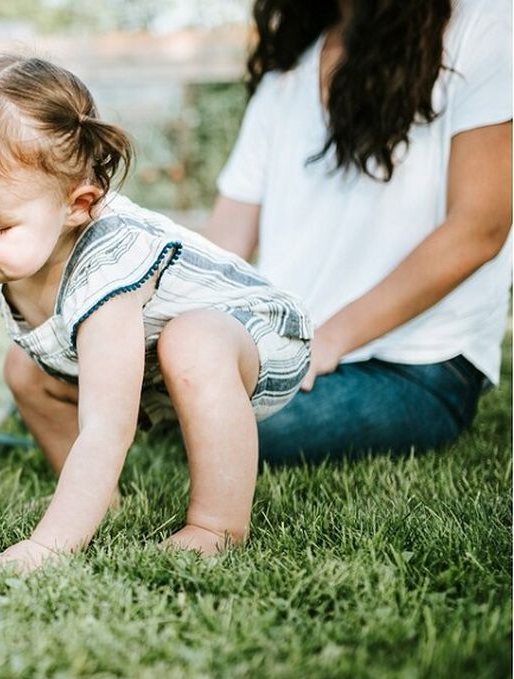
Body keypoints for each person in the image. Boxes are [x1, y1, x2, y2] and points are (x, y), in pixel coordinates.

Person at [0, 54, 313, 567]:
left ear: (78, 205)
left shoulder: (107, 267)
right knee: (24, 369)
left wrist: (45, 548)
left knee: (191, 343)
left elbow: (107, 425)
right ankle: (100, 502)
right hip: (154, 360)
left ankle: (215, 524)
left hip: (256, 337)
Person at [205, 0, 512, 464]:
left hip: (419, 366)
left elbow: (479, 229)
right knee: (176, 392)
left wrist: (329, 340)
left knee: (226, 424)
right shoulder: (286, 77)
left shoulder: (486, 29)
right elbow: (224, 243)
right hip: (286, 355)